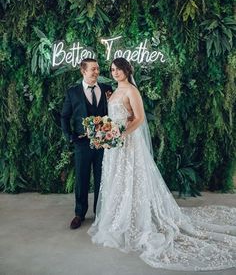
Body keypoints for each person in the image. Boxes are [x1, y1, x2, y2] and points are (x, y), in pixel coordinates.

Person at [88, 57, 236, 271]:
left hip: (127, 143)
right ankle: (118, 218)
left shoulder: (131, 90)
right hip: (115, 145)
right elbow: (118, 116)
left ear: (127, 71)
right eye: (112, 70)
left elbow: (138, 118)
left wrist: (121, 135)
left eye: (119, 69)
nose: (115, 73)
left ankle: (138, 219)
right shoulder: (114, 91)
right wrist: (108, 133)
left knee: (132, 178)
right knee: (116, 179)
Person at [61, 58, 112, 229]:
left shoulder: (106, 89)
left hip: (103, 143)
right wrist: (70, 136)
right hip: (82, 143)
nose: (97, 72)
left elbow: (112, 113)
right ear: (83, 71)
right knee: (81, 179)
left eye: (97, 69)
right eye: (93, 69)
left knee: (101, 178)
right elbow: (64, 116)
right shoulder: (73, 92)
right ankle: (79, 213)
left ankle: (100, 213)